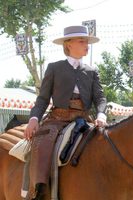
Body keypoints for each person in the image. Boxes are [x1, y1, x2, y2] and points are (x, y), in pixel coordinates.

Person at [22, 25, 107, 200]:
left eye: (87, 42)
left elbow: (100, 98)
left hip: (85, 120)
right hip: (57, 119)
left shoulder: (92, 71)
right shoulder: (54, 68)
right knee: (43, 143)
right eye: (82, 41)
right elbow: (43, 99)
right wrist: (34, 119)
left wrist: (101, 115)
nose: (87, 45)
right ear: (68, 44)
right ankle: (39, 189)